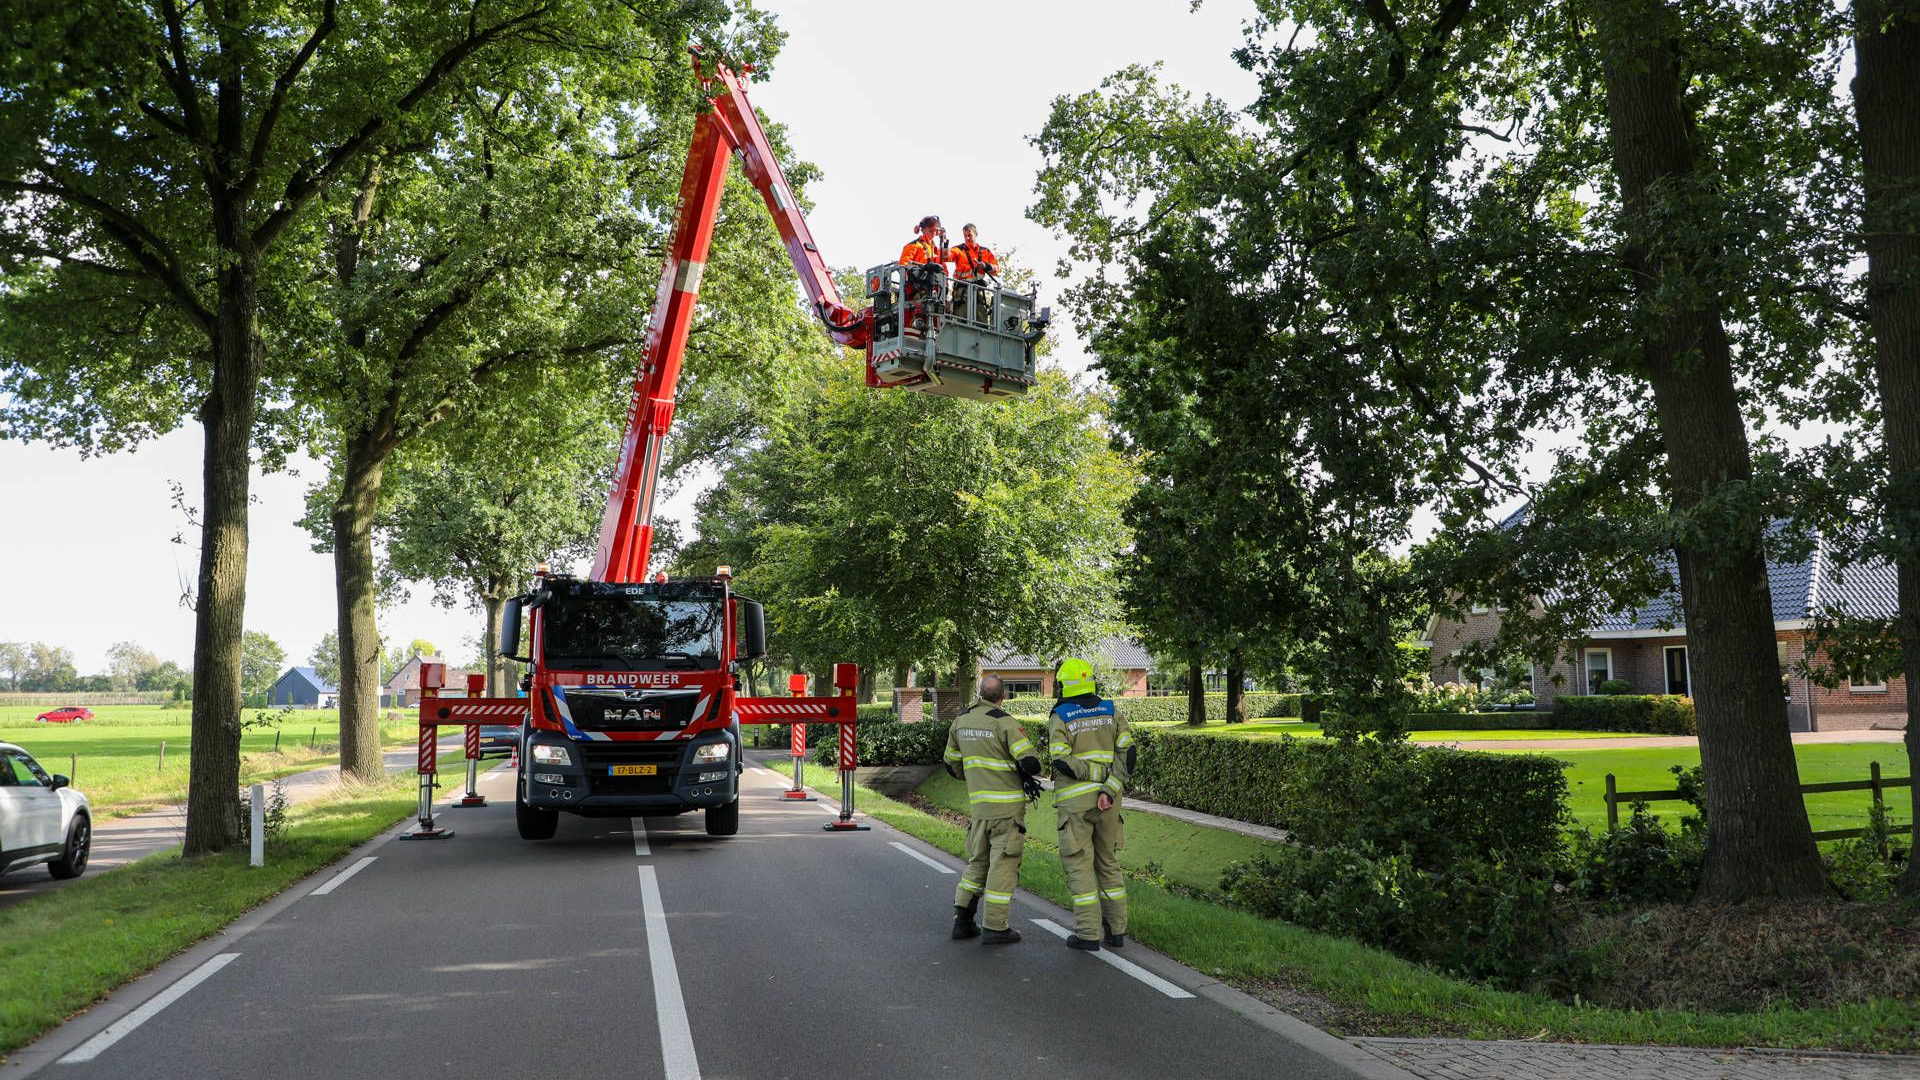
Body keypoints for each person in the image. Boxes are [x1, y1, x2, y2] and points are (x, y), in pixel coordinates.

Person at [942, 674, 1043, 944]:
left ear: (979, 693)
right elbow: (1032, 763)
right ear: (1002, 697)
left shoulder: (961, 720)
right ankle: (996, 928)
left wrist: (973, 776)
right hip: (1007, 811)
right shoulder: (1005, 722)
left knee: (977, 863)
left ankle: (962, 921)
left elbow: (950, 762)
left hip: (979, 808)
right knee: (1003, 866)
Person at [1047, 657, 1134, 951]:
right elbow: (1129, 753)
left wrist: (1093, 774)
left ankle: (1087, 934)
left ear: (1064, 685)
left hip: (1076, 806)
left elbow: (1060, 759)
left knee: (1080, 865)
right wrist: (1109, 787)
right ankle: (1117, 931)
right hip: (1109, 803)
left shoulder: (1061, 715)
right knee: (1109, 863)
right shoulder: (1111, 710)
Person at [948, 223, 1000, 321]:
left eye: (969, 235)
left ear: (976, 233)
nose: (967, 238)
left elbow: (997, 269)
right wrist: (944, 243)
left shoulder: (985, 251)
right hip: (962, 292)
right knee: (959, 320)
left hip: (978, 293)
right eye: (965, 236)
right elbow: (946, 257)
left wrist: (986, 265)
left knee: (981, 321)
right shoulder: (959, 249)